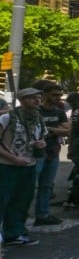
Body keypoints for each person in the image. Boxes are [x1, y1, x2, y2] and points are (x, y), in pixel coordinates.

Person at [0, 88, 47, 247]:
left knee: (22, 200)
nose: (37, 100)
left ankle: (14, 233)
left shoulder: (38, 118)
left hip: (29, 165)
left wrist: (41, 144)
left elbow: (42, 138)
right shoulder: (7, 118)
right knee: (4, 200)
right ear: (22, 99)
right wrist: (13, 158)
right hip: (7, 165)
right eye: (32, 97)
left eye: (39, 97)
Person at [32, 80, 69, 227]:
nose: (58, 98)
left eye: (60, 95)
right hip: (36, 153)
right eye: (54, 95)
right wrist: (56, 130)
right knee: (28, 185)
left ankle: (42, 215)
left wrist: (51, 130)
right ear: (45, 94)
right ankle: (18, 214)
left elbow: (69, 130)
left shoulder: (59, 111)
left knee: (46, 186)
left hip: (52, 151)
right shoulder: (36, 111)